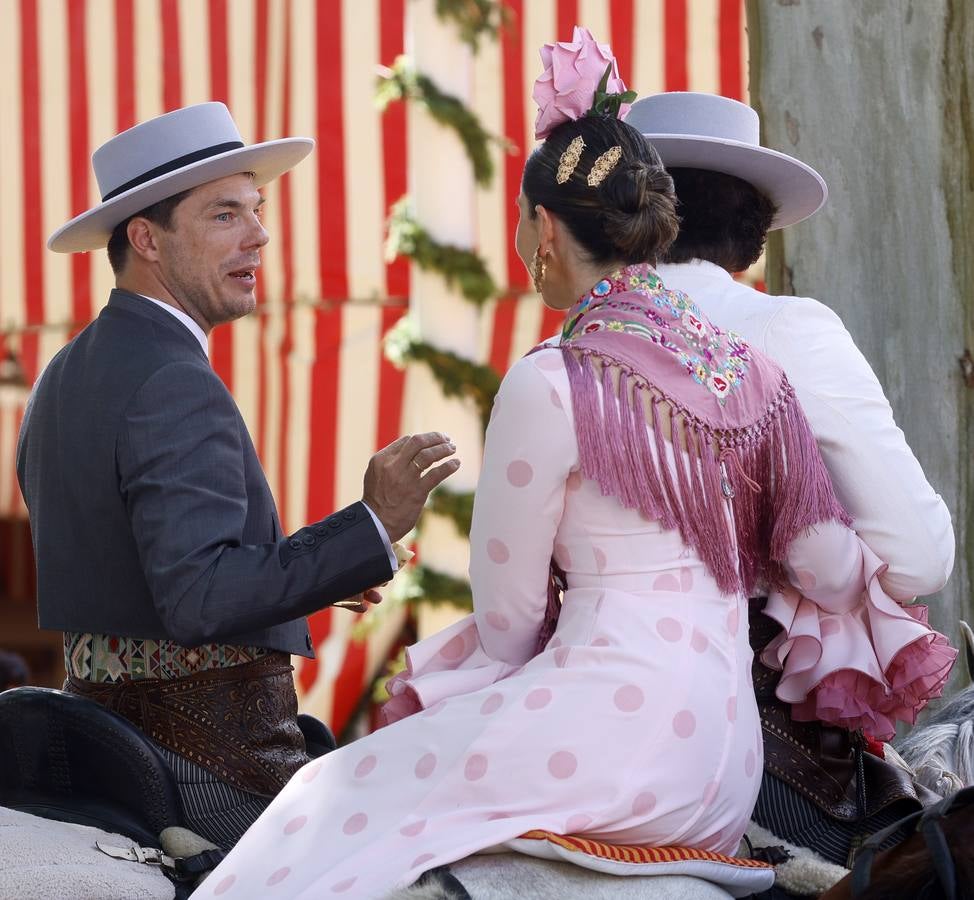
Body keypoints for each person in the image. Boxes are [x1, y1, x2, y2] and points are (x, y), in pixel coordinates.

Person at [194, 30, 953, 899]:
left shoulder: (555, 379)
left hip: (608, 740)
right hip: (726, 756)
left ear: (545, 228)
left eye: (521, 220)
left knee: (323, 798)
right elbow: (827, 562)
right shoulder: (756, 374)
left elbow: (510, 617)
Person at [16, 102, 459, 849]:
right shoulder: (172, 379)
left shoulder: (61, 373)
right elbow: (198, 597)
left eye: (256, 210)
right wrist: (375, 523)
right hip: (203, 766)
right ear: (147, 238)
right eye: (225, 214)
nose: (258, 234)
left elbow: (146, 566)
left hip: (104, 743)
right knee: (423, 842)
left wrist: (331, 562)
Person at [625, 92, 956, 862]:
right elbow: (917, 553)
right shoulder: (787, 329)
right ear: (752, 226)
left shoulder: (566, 348)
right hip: (740, 725)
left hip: (573, 696)